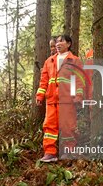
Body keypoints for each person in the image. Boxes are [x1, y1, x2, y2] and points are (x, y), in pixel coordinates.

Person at [36, 34, 86, 162]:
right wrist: (40, 95)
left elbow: (80, 80)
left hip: (67, 99)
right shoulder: (49, 61)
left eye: (61, 41)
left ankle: (69, 151)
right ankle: (50, 152)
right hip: (51, 99)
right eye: (57, 42)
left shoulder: (75, 60)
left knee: (68, 125)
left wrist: (79, 95)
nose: (58, 44)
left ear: (69, 44)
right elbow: (44, 81)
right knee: (49, 126)